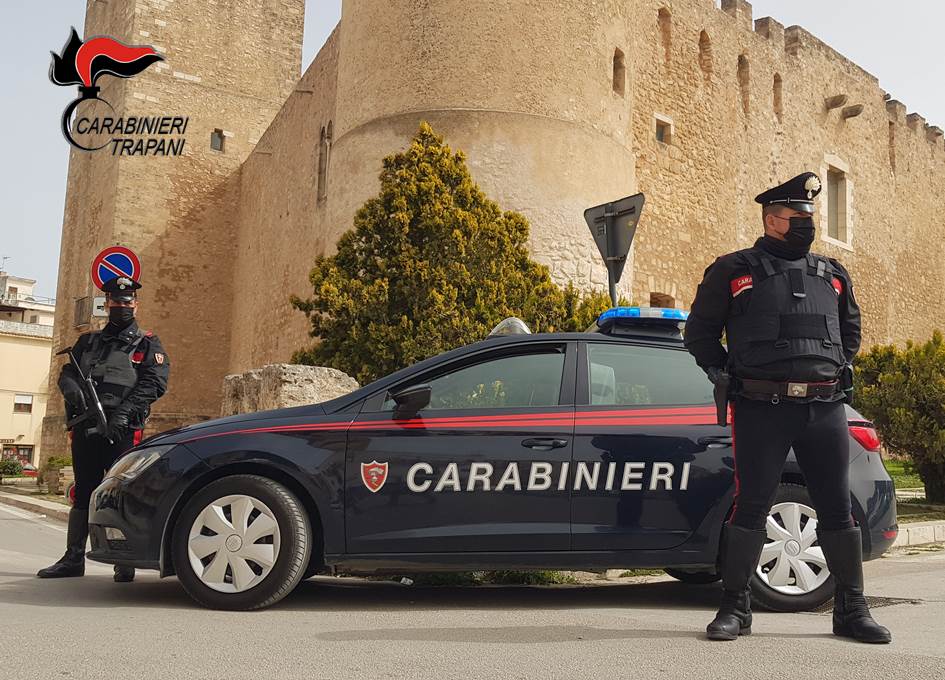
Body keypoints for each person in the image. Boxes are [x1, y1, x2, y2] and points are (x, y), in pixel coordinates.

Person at [684, 172, 890, 644]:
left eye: (809, 219)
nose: (807, 226)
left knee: (838, 508)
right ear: (773, 221)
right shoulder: (733, 270)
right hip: (761, 408)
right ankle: (735, 609)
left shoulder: (833, 274)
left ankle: (852, 611)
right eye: (798, 219)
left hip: (824, 409)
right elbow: (698, 334)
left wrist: (830, 371)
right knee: (752, 505)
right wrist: (726, 375)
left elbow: (850, 335)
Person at [37, 276, 169, 583]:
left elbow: (154, 383)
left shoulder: (148, 343)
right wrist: (70, 388)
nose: (121, 306)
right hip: (88, 427)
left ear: (135, 304)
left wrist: (123, 414)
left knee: (121, 492)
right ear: (106, 302)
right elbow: (68, 372)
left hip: (124, 429)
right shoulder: (88, 342)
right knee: (83, 490)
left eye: (126, 302)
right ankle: (73, 558)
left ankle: (124, 560)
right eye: (115, 301)